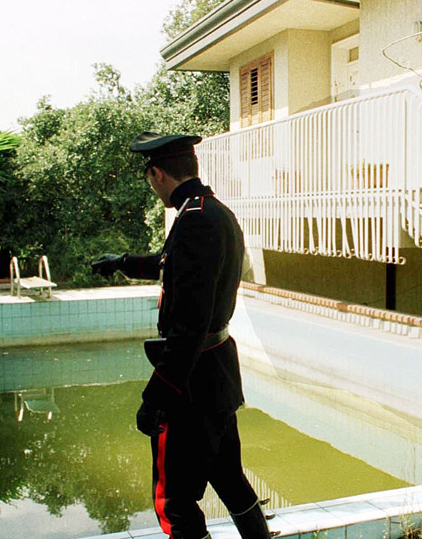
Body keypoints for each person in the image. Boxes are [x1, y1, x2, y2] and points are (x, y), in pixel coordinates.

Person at [90, 132, 274, 539]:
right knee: (229, 479)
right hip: (219, 375)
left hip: (191, 384)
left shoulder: (192, 221)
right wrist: (122, 263)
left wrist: (157, 396)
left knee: (175, 499)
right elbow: (174, 266)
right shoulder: (214, 212)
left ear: (156, 174)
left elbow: (189, 325)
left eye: (150, 179)